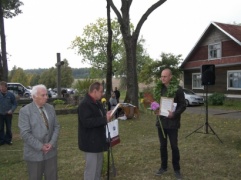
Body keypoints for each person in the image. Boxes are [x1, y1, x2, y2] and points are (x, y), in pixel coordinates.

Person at [18, 84, 60, 180]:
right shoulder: (25, 111)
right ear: (34, 97)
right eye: (43, 95)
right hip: (34, 154)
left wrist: (51, 143)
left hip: (51, 153)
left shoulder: (50, 108)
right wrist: (40, 146)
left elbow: (56, 126)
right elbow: (25, 133)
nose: (46, 97)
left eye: (47, 95)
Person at [155, 68, 186, 180]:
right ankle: (163, 167)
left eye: (165, 76)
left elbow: (183, 105)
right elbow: (156, 104)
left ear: (170, 77)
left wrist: (174, 114)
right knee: (162, 146)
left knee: (174, 146)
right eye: (161, 76)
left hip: (173, 123)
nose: (162, 78)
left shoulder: (178, 90)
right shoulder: (159, 89)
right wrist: (156, 110)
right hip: (161, 123)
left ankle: (177, 169)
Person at [78, 82, 112, 180]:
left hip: (98, 141)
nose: (102, 94)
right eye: (101, 91)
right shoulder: (85, 104)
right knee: (91, 170)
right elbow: (87, 122)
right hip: (90, 142)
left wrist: (107, 114)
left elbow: (99, 116)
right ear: (95, 91)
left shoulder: (97, 102)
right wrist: (104, 119)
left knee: (98, 168)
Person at [0, 81, 17, 145]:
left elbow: (15, 104)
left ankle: (8, 140)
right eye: (0, 87)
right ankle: (1, 140)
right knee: (0, 127)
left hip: (8, 115)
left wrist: (11, 110)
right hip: (0, 114)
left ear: (6, 87)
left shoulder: (11, 95)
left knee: (8, 127)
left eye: (2, 87)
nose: (1, 88)